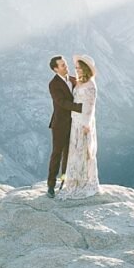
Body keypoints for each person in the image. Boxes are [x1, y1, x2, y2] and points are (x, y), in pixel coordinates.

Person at [58, 54, 100, 199]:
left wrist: (87, 124)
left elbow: (90, 106)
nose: (77, 70)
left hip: (83, 123)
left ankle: (86, 181)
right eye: (76, 68)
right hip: (75, 121)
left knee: (84, 152)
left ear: (86, 69)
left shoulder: (90, 85)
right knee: (75, 151)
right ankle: (74, 180)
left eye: (80, 68)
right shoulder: (80, 82)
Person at [47, 55, 81, 198]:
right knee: (57, 154)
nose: (66, 66)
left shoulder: (73, 79)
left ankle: (64, 182)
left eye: (65, 64)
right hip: (60, 125)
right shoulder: (53, 84)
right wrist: (80, 108)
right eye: (62, 65)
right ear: (55, 69)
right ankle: (50, 185)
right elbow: (61, 102)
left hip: (74, 123)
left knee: (68, 155)